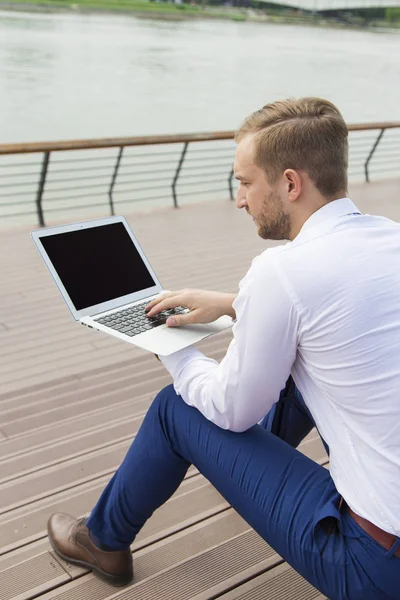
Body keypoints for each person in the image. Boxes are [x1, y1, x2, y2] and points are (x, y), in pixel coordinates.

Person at [47, 98, 400, 600]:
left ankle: (102, 540)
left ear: (291, 183)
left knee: (178, 407)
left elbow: (230, 412)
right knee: (301, 370)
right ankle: (238, 475)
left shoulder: (281, 271)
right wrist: (235, 305)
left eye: (245, 182)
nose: (240, 200)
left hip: (372, 564)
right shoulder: (390, 238)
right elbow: (339, 310)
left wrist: (168, 344)